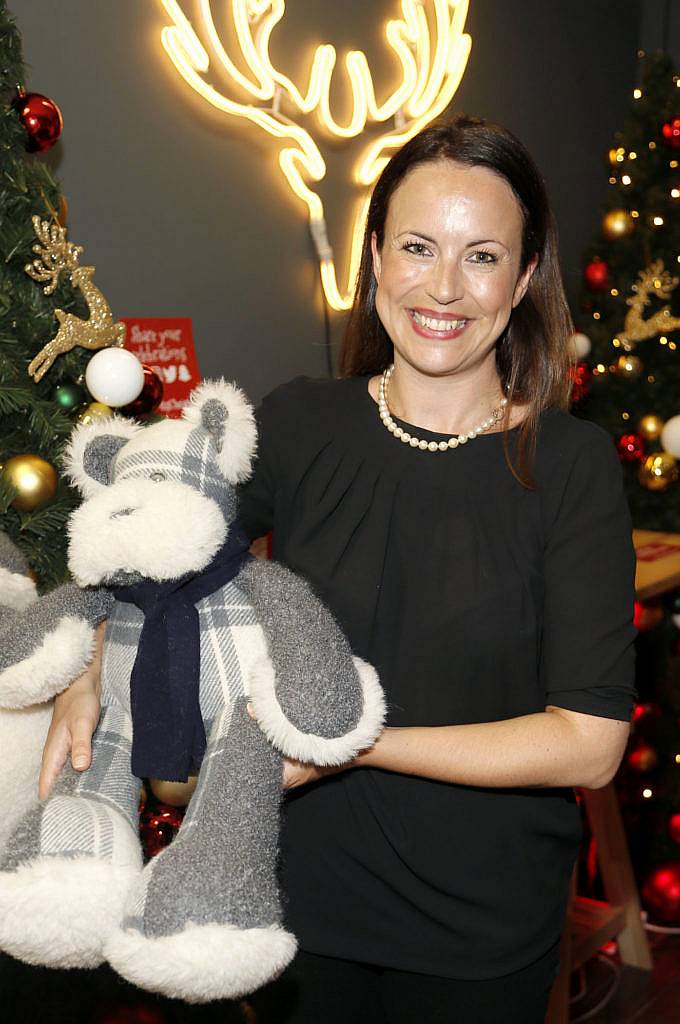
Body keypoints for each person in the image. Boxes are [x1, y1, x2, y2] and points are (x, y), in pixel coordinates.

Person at [41, 114, 636, 1024]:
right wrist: (90, 672)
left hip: (477, 931)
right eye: (416, 246)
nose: (444, 287)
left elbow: (588, 743)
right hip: (294, 907)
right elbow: (158, 559)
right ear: (376, 259)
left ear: (522, 280)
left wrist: (343, 741)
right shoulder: (299, 422)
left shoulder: (572, 463)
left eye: (481, 256)